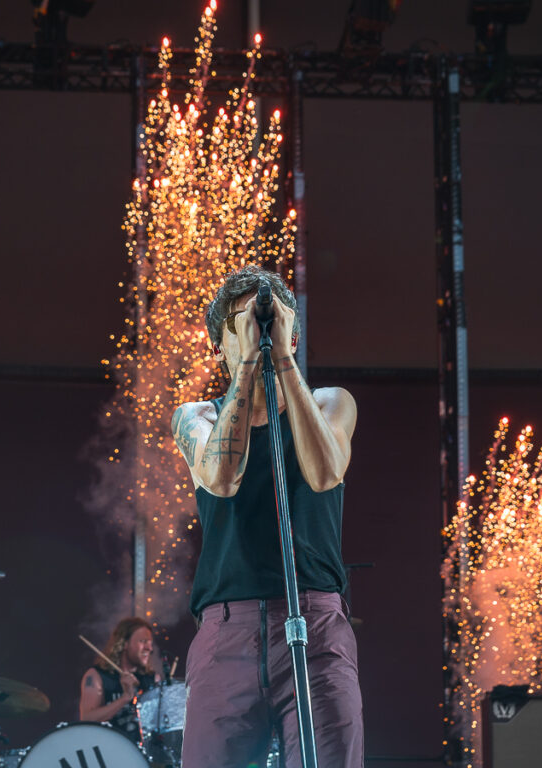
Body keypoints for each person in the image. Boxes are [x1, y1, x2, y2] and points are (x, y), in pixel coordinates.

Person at [170, 264, 364, 768]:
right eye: (242, 327)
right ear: (219, 346)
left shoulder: (331, 403)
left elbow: (325, 472)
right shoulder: (197, 417)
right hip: (226, 632)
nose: (258, 334)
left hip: (315, 623)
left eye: (270, 324)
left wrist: (279, 356)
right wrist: (249, 372)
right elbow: (220, 477)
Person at [79, 617, 160, 745]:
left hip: (144, 756)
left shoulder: (152, 679)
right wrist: (125, 698)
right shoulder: (97, 676)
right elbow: (87, 719)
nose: (149, 648)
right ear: (124, 644)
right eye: (143, 641)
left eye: (150, 643)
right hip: (108, 752)